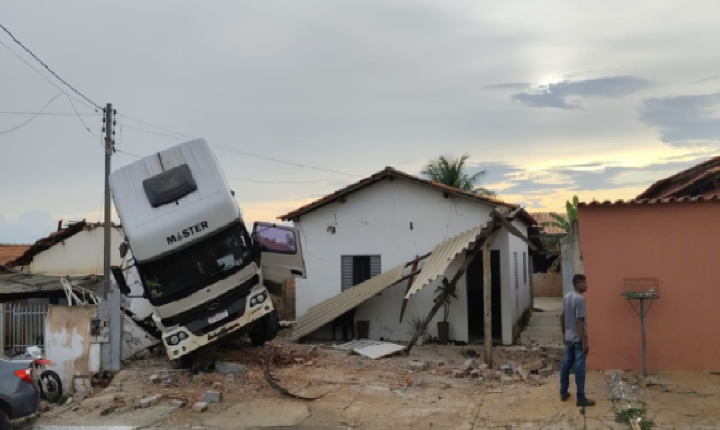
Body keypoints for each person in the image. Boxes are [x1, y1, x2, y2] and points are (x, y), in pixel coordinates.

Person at [559, 274, 595, 407]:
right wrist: (584, 340)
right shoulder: (579, 299)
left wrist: (563, 333)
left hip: (568, 337)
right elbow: (579, 321)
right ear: (578, 284)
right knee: (580, 368)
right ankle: (581, 397)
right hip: (577, 338)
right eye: (584, 283)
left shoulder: (567, 297)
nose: (586, 285)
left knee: (566, 365)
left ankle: (563, 392)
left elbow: (562, 317)